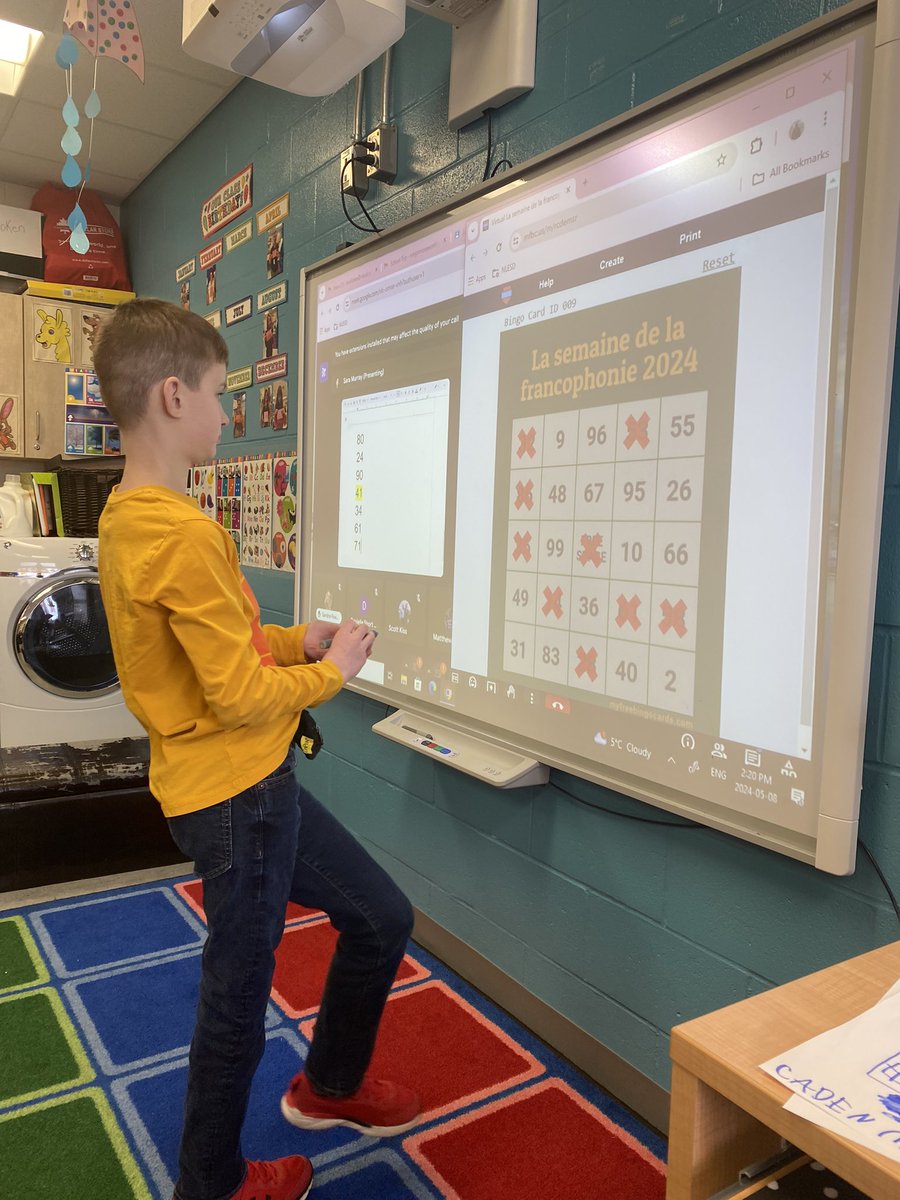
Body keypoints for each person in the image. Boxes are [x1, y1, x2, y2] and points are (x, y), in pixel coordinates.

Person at [93, 298, 419, 1200]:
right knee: (236, 999)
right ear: (171, 396)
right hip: (238, 798)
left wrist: (294, 641)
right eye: (218, 393)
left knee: (380, 916)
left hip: (239, 789)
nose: (227, 412)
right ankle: (215, 1184)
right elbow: (235, 696)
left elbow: (219, 653)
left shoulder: (128, 517)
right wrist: (337, 673)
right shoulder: (184, 533)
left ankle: (330, 1087)